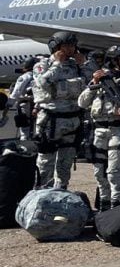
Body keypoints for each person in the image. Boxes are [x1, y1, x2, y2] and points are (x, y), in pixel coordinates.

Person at [77, 45, 120, 210]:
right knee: (99, 173)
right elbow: (82, 102)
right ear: (114, 61)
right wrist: (94, 83)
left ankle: (117, 210)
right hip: (99, 130)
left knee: (115, 173)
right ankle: (103, 209)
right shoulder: (101, 79)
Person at [32, 32, 87, 189]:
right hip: (51, 121)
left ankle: (60, 191)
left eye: (72, 46)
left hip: (72, 120)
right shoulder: (43, 65)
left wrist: (83, 65)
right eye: (66, 46)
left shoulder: (75, 65)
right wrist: (57, 64)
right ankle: (41, 192)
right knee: (45, 162)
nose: (70, 49)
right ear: (55, 47)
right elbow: (43, 82)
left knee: (66, 162)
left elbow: (89, 85)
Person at [10, 56, 39, 141]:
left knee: (25, 130)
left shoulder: (25, 77)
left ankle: (25, 146)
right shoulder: (40, 76)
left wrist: (8, 105)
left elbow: (16, 92)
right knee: (39, 128)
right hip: (39, 105)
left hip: (26, 104)